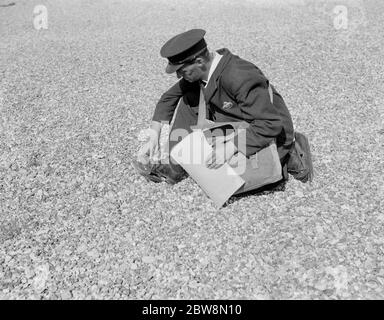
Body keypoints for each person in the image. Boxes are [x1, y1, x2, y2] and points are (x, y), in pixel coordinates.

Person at [133, 28, 308, 190]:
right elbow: (168, 98)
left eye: (181, 70)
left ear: (199, 61)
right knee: (190, 98)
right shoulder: (201, 71)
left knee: (228, 185)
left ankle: (288, 156)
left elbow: (270, 123)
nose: (178, 75)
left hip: (271, 133)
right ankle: (176, 164)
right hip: (239, 122)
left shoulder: (239, 76)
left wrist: (232, 147)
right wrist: (154, 136)